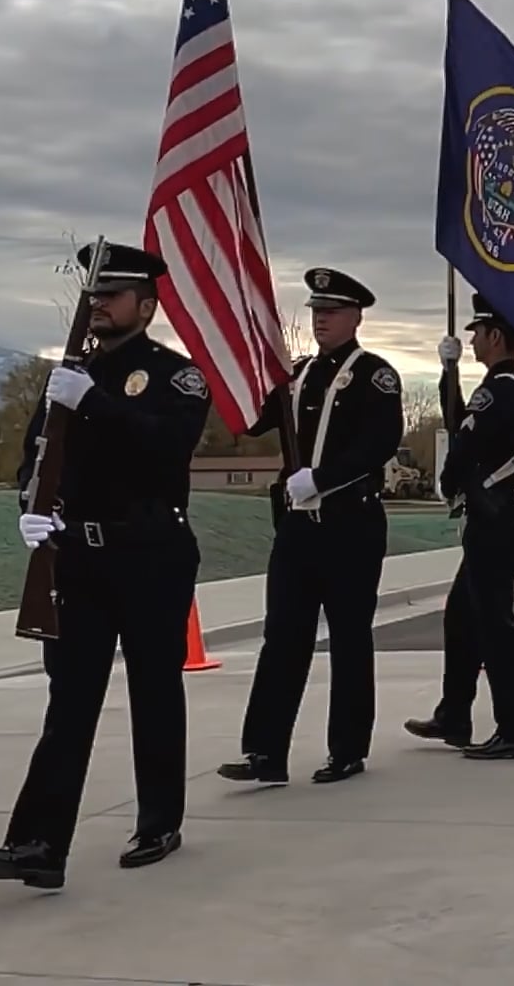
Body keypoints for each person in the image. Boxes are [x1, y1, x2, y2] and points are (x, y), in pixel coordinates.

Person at [0, 242, 213, 888]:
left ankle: (159, 819)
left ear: (147, 306)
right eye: (94, 294)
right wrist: (32, 507)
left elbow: (167, 446)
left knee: (154, 691)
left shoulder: (175, 377)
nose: (98, 304)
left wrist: (94, 403)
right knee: (69, 702)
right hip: (78, 558)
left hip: (151, 553)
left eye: (113, 295)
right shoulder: (70, 373)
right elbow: (37, 456)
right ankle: (40, 845)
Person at [217, 267, 404, 785]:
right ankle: (265, 751)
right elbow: (252, 419)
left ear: (355, 317)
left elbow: (378, 444)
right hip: (298, 530)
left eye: (332, 312)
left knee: (348, 638)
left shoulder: (374, 375)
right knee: (282, 638)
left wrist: (321, 479)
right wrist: (240, 371)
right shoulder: (296, 374)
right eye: (316, 312)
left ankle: (346, 749)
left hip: (350, 526)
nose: (321, 320)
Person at [403, 293, 514, 759]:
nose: (473, 341)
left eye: (477, 334)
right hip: (493, 515)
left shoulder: (504, 386)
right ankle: (455, 714)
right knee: (462, 615)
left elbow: (476, 438)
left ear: (495, 336)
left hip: (500, 516)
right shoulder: (500, 386)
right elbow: (465, 426)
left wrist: (471, 481)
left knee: (494, 623)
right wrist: (449, 373)